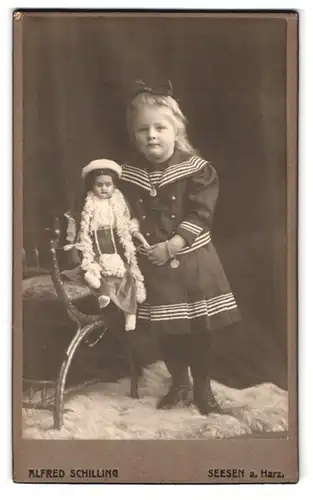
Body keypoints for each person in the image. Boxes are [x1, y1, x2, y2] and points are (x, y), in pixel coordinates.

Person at [119, 81, 241, 415]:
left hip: (191, 261)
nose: (152, 135)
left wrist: (172, 246)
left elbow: (201, 213)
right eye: (143, 129)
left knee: (198, 330)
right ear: (134, 135)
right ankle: (180, 383)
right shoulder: (128, 174)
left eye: (160, 127)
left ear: (177, 130)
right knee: (168, 330)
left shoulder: (197, 170)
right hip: (155, 265)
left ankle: (203, 389)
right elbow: (125, 213)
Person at [65, 158, 148, 332]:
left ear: (114, 185)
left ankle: (130, 314)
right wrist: (73, 242)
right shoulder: (87, 203)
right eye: (99, 185)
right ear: (92, 186)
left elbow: (128, 222)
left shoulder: (118, 201)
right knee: (97, 273)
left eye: (108, 185)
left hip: (116, 244)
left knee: (125, 276)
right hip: (95, 245)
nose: (104, 189)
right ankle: (105, 296)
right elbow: (78, 226)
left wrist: (135, 233)